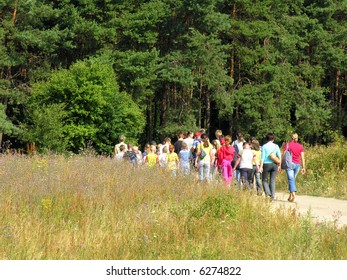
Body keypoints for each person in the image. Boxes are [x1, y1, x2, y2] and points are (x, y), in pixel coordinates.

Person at [283, 133, 306, 202]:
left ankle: (293, 195)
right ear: (297, 138)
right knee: (292, 180)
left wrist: (280, 163)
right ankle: (290, 196)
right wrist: (303, 167)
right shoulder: (300, 146)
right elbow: (302, 158)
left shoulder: (288, 145)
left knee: (291, 180)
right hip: (297, 165)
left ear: (291, 138)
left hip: (290, 164)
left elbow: (284, 154)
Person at [259, 133, 281, 201]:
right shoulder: (276, 146)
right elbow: (279, 156)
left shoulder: (264, 146)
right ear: (273, 139)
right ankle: (273, 196)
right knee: (272, 180)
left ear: (266, 139)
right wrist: (279, 165)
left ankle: (268, 193)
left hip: (266, 164)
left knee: (264, 180)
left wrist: (261, 167)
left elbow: (262, 157)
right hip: (274, 164)